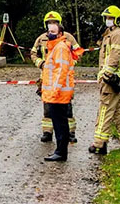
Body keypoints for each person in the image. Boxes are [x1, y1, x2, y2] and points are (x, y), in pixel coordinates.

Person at [89, 4, 120, 154]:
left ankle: (99, 143)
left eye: (110, 18)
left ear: (117, 19)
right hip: (113, 76)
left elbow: (114, 56)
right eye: (106, 18)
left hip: (111, 77)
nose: (108, 20)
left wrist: (104, 74)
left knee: (105, 109)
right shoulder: (111, 33)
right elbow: (104, 50)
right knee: (119, 111)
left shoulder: (118, 34)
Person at [40, 16, 85, 162]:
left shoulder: (60, 48)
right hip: (57, 93)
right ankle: (60, 151)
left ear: (60, 34)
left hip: (58, 94)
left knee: (60, 124)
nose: (49, 34)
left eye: (53, 31)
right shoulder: (57, 47)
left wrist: (54, 90)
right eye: (48, 31)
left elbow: (61, 71)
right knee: (60, 123)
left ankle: (61, 152)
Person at [30, 10, 80, 143]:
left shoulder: (68, 38)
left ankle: (70, 133)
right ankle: (47, 132)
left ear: (59, 24)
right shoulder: (41, 39)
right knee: (48, 107)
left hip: (63, 79)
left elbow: (78, 52)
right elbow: (33, 54)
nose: (51, 25)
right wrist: (40, 63)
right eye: (49, 23)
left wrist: (70, 63)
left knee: (66, 108)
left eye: (54, 23)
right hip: (46, 79)